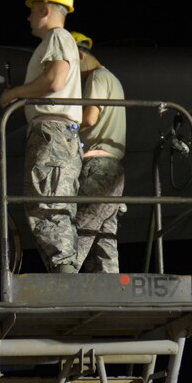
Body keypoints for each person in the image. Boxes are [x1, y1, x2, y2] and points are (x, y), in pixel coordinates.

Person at [0, 0, 83, 272]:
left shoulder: (57, 36)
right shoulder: (60, 40)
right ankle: (64, 270)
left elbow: (55, 80)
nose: (28, 18)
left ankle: (64, 273)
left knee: (47, 203)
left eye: (33, 11)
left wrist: (15, 93)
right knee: (52, 203)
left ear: (45, 10)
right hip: (58, 135)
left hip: (52, 133)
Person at [70, 32, 126, 272]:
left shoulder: (97, 77)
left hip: (98, 168)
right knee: (105, 238)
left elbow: (89, 117)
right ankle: (111, 291)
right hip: (114, 169)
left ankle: (62, 282)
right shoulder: (112, 79)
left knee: (81, 229)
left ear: (80, 56)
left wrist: (66, 122)